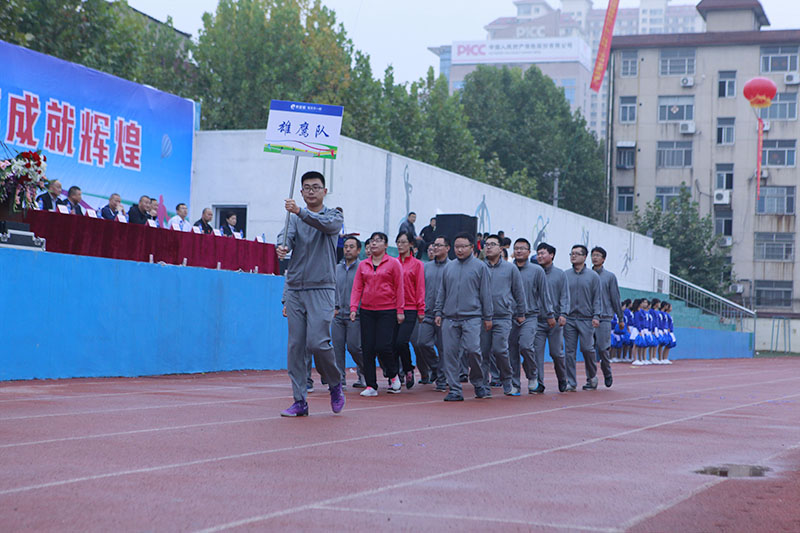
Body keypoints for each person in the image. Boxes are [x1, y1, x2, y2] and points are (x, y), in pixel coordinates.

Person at [276, 170, 344, 417]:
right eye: (307, 187)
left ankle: (334, 383)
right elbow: (285, 237)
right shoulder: (293, 218)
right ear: (301, 192)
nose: (311, 191)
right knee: (296, 347)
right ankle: (299, 400)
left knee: (317, 342)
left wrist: (300, 212)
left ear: (324, 191)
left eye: (316, 187)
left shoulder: (333, 215)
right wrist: (282, 247)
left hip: (322, 287)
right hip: (296, 288)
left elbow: (325, 226)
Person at [434, 232, 493, 401]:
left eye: (463, 247)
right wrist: (438, 312)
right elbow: (442, 291)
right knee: (450, 354)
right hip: (449, 318)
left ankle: (478, 382)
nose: (459, 250)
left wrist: (488, 317)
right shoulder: (449, 267)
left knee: (474, 350)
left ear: (472, 247)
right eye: (457, 247)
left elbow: (486, 294)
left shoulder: (480, 267)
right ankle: (454, 389)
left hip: (472, 317)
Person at [350, 231, 405, 397]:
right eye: (372, 241)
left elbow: (399, 287)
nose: (374, 243)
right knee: (367, 348)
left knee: (383, 346)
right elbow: (357, 287)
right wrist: (353, 307)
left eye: (378, 240)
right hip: (367, 310)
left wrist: (400, 310)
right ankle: (371, 385)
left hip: (387, 310)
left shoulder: (393, 264)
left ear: (386, 245)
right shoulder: (363, 265)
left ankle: (393, 374)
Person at [481, 234, 526, 397]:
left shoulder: (510, 269)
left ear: (501, 249)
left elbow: (518, 292)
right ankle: (482, 386)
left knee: (500, 350)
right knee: (482, 353)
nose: (488, 247)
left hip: (503, 316)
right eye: (486, 244)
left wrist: (521, 312)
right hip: (482, 317)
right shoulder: (479, 267)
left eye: (492, 244)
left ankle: (507, 381)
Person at [509, 238, 554, 394]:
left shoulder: (537, 271)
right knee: (511, 351)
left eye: (522, 248)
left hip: (530, 316)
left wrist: (549, 314)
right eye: (516, 248)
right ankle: (514, 384)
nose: (519, 251)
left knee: (526, 346)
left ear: (529, 252)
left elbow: (544, 294)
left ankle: (532, 375)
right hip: (510, 317)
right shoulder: (508, 269)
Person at [563, 244, 602, 391]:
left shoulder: (593, 276)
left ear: (585, 257)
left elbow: (597, 298)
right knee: (569, 352)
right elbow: (562, 296)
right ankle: (571, 382)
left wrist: (596, 315)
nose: (573, 256)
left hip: (587, 319)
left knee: (587, 349)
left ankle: (592, 377)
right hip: (569, 319)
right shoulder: (565, 275)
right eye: (571, 253)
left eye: (577, 254)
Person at [532, 242, 570, 393]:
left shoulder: (560, 274)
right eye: (538, 254)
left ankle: (562, 378)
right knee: (537, 354)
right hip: (537, 320)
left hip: (555, 321)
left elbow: (565, 296)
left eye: (543, 253)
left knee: (556, 353)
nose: (539, 256)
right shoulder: (534, 273)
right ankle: (539, 383)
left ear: (552, 255)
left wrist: (563, 314)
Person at [416, 236, 450, 391]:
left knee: (443, 348)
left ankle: (442, 380)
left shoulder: (452, 267)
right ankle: (435, 368)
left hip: (445, 315)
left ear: (447, 248)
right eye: (434, 245)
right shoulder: (426, 267)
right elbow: (420, 289)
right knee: (422, 343)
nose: (435, 248)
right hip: (427, 312)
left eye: (439, 245)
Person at [393, 231, 425, 389]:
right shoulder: (393, 263)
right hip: (392, 307)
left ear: (411, 244)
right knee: (391, 343)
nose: (400, 245)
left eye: (404, 242)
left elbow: (420, 287)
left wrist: (421, 309)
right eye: (398, 242)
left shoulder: (417, 264)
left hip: (410, 308)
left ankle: (408, 368)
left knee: (401, 341)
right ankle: (396, 373)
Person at [333, 236, 364, 389]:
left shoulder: (363, 268)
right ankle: (340, 380)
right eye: (346, 247)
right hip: (337, 315)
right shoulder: (336, 269)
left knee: (354, 347)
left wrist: (358, 308)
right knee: (337, 349)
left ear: (358, 250)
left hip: (355, 315)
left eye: (351, 247)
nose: (348, 250)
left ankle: (365, 373)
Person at [590, 246, 624, 388]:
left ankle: (607, 372)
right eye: (593, 255)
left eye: (598, 255)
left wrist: (620, 317)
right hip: (587, 317)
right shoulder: (586, 275)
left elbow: (615, 298)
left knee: (603, 348)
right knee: (588, 350)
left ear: (603, 259)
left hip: (604, 316)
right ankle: (591, 378)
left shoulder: (609, 277)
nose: (595, 258)